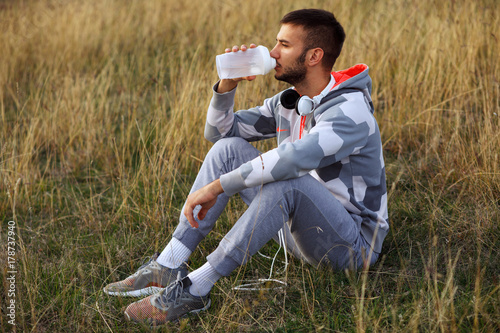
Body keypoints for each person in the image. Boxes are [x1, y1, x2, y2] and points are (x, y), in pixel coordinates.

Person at [103, 8, 389, 326]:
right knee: (229, 150)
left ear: (313, 56)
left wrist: (217, 187)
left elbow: (293, 160)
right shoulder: (293, 100)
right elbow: (220, 134)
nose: (273, 53)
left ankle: (196, 288)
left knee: (288, 179)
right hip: (299, 230)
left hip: (349, 248)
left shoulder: (351, 112)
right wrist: (227, 85)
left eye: (284, 45)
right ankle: (169, 263)